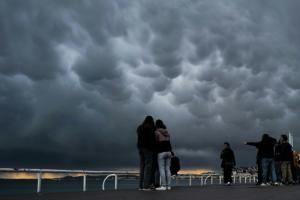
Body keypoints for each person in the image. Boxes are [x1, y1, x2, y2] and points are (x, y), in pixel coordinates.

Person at [137, 116, 156, 190]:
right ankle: (146, 186)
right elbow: (151, 139)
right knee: (148, 166)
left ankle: (140, 186)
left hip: (140, 148)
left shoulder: (139, 128)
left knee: (142, 166)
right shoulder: (150, 128)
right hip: (148, 149)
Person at [155, 119, 172, 191]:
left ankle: (164, 186)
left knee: (161, 169)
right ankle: (169, 186)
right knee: (167, 168)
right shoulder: (167, 132)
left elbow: (156, 142)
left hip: (161, 152)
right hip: (169, 152)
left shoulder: (156, 132)